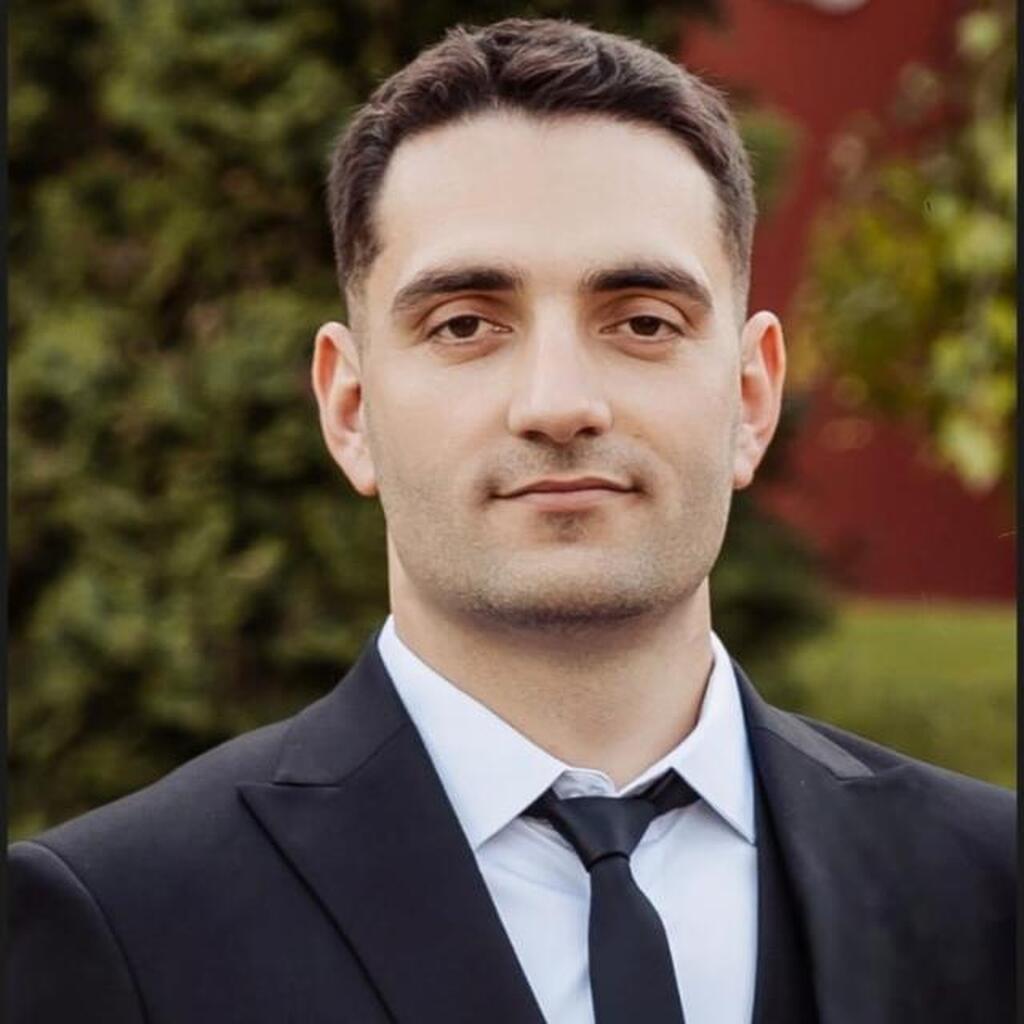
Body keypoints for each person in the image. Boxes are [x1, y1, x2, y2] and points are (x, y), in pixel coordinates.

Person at [8, 17, 1013, 1024]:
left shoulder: (991, 888)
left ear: (752, 398)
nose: (559, 402)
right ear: (349, 409)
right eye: (465, 325)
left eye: (643, 321)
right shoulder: (120, 921)